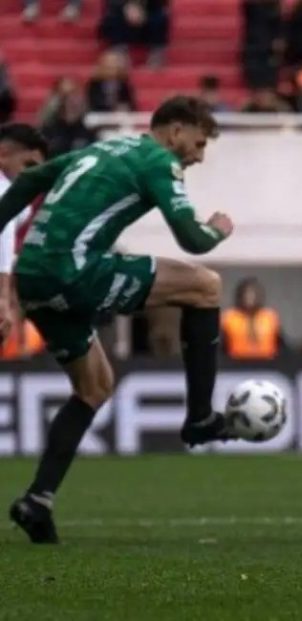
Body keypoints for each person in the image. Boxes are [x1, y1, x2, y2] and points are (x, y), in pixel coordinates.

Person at [2, 97, 237, 544]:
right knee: (205, 286)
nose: (199, 156)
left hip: (33, 277)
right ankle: (201, 417)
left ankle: (38, 499)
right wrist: (218, 229)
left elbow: (30, 178)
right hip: (73, 271)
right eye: (199, 143)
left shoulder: (102, 149)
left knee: (94, 387)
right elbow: (193, 239)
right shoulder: (157, 160)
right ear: (176, 131)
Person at [0, 124, 49, 344]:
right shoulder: (4, 190)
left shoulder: (22, 203)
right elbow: (4, 237)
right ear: (3, 155)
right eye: (28, 165)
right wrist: (3, 298)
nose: (33, 176)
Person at [221, 278, 285, 360]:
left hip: (267, 364)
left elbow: (281, 346)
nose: (250, 297)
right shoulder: (229, 317)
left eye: (253, 294)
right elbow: (221, 346)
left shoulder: (270, 317)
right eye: (247, 293)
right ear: (240, 295)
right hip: (236, 365)